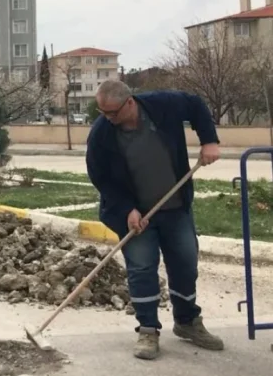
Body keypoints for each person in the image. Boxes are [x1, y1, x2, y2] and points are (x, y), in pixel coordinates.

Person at [85, 80, 223, 360]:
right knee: (142, 267)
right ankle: (148, 330)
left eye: (112, 112)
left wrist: (209, 140)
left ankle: (187, 322)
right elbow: (101, 178)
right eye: (103, 113)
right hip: (137, 215)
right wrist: (126, 210)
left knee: (185, 262)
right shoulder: (101, 134)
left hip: (175, 208)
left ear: (130, 102)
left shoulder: (163, 105)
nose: (108, 119)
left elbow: (195, 105)